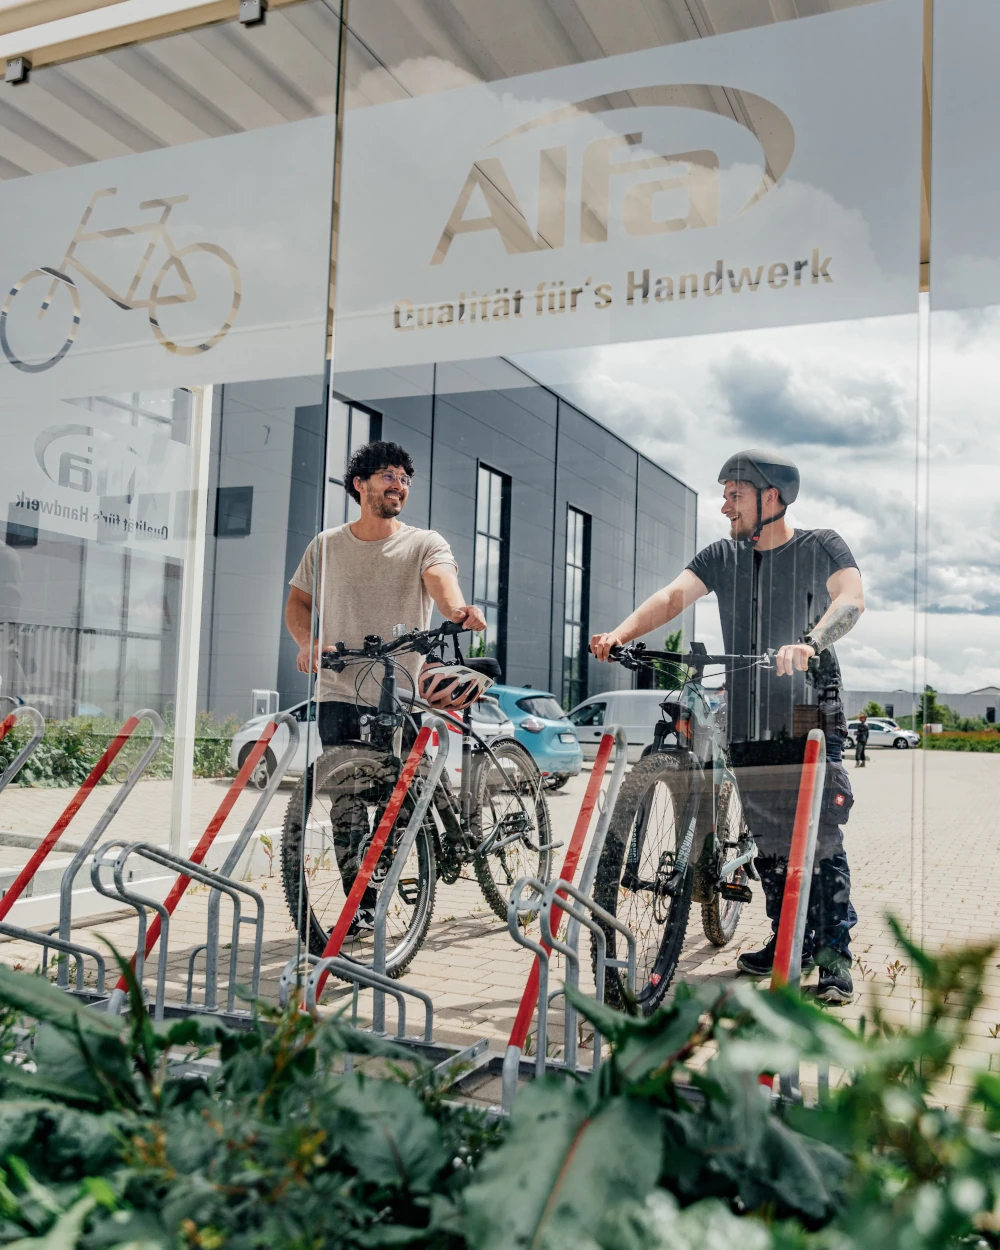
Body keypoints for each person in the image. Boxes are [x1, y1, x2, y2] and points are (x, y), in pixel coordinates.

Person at [591, 449, 864, 1005]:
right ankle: (789, 939)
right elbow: (672, 596)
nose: (724, 506)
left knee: (817, 835)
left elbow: (852, 599)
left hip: (809, 706)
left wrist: (811, 643)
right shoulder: (722, 555)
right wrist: (620, 632)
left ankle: (833, 955)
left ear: (772, 496)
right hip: (748, 712)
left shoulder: (821, 545)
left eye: (734, 495)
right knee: (768, 842)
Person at [284, 439, 486, 928]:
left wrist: (456, 611)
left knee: (397, 805)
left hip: (399, 692)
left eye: (405, 479)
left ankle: (376, 900)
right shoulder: (326, 545)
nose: (400, 486)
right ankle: (358, 903)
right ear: (360, 483)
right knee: (347, 807)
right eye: (389, 476)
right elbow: (297, 604)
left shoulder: (423, 542)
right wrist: (308, 641)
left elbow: (442, 582)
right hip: (337, 689)